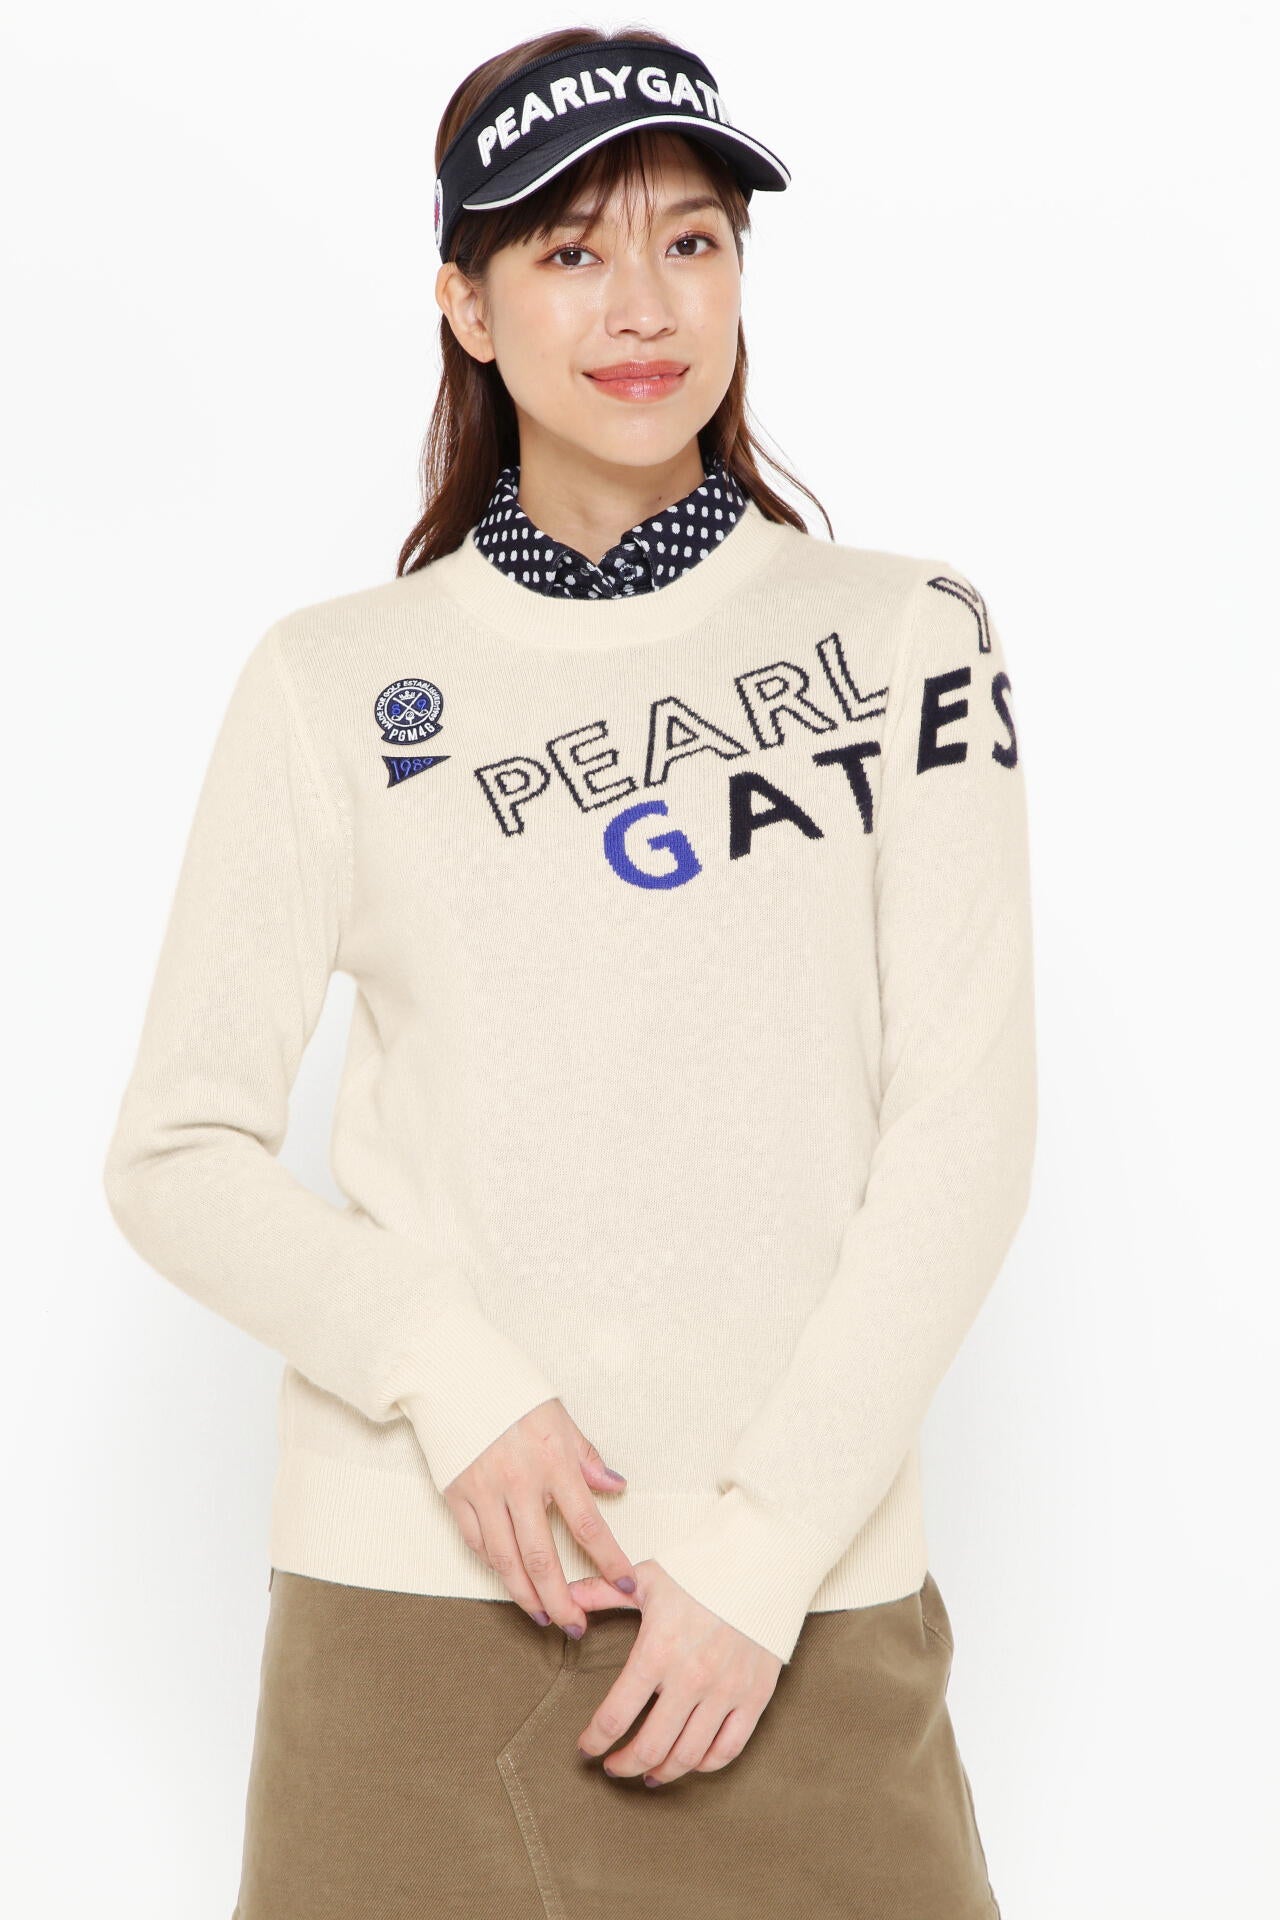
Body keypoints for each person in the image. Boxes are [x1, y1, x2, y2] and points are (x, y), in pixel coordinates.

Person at [102, 24, 1035, 1919]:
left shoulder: (906, 638)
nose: (644, 306)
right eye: (570, 251)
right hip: (414, 1622)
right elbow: (173, 1154)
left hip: (796, 1622)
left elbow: (964, 1133)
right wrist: (451, 1377)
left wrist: (762, 1554)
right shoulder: (334, 685)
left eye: (692, 242)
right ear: (466, 302)